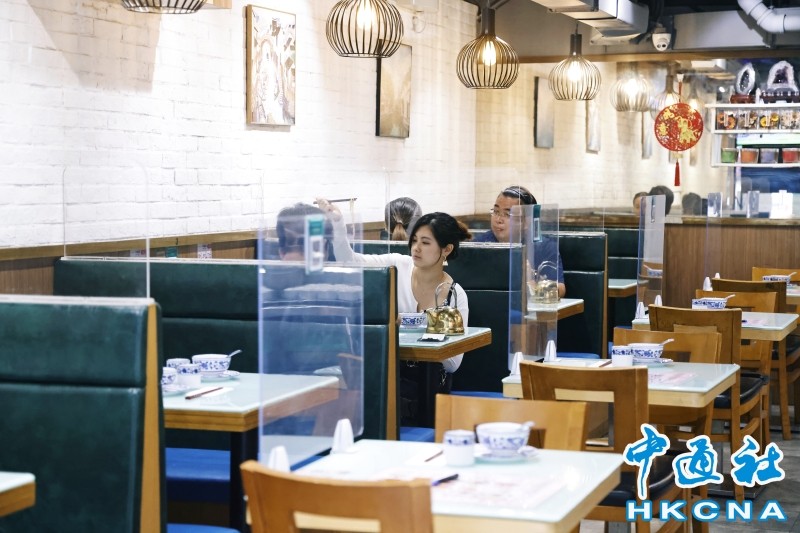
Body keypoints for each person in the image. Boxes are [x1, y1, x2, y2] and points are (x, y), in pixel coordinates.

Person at [317, 198, 471, 425]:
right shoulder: (397, 266)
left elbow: (452, 362)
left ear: (446, 249)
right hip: (385, 376)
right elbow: (350, 262)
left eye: (425, 242)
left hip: (428, 389)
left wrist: (408, 323)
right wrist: (338, 226)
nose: (416, 248)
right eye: (414, 240)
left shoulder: (454, 295)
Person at [474, 186, 566, 298]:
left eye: (507, 214)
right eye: (496, 212)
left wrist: (530, 281)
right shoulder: (479, 244)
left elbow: (560, 289)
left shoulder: (544, 247)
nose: (498, 220)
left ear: (526, 221)